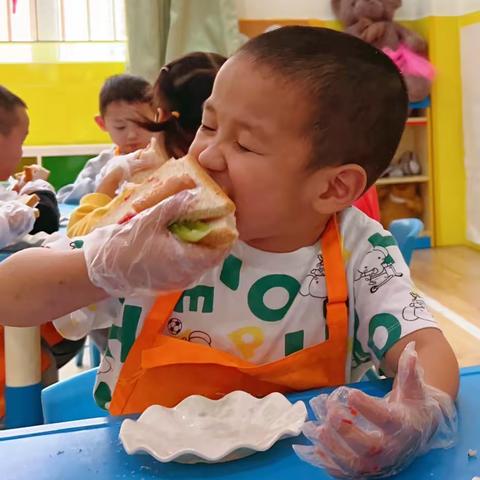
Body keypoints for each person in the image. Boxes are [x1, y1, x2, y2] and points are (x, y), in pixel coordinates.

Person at [0, 27, 457, 478]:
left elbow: (424, 346)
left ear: (334, 187)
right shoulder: (156, 227)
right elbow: (11, 294)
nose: (209, 155)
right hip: (141, 466)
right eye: (209, 124)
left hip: (304, 467)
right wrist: (106, 266)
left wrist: (420, 413)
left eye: (244, 144)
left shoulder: (359, 249)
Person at [66, 52, 227, 238]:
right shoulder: (246, 186)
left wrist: (111, 179)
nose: (132, 134)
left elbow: (79, 235)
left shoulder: (158, 190)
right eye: (121, 126)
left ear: (161, 116)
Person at [56, 74, 154, 204]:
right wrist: (105, 181)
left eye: (142, 124)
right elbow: (64, 198)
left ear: (158, 118)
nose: (132, 135)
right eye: (121, 127)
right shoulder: (100, 164)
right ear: (102, 124)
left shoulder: (166, 156)